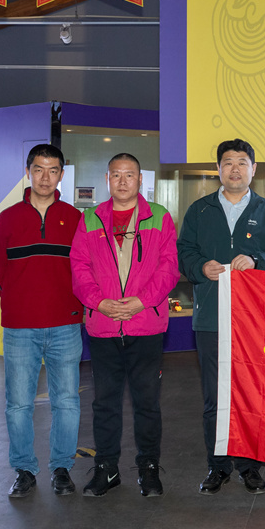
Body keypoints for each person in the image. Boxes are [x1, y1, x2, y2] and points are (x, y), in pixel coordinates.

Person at [177, 138, 265, 495]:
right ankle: (218, 466)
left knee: (252, 394)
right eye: (228, 162)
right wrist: (201, 267)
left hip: (255, 321)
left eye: (242, 162)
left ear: (253, 169)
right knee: (215, 397)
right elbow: (183, 254)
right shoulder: (199, 211)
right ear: (218, 169)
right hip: (211, 319)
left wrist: (258, 261)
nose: (235, 169)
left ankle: (249, 465)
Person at [69, 153, 180, 497]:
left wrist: (142, 301)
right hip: (103, 326)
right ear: (107, 179)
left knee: (147, 403)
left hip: (145, 325)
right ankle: (107, 469)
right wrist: (99, 302)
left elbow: (169, 268)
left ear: (140, 180)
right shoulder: (90, 219)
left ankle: (149, 468)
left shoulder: (159, 217)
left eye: (129, 175)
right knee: (105, 403)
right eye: (115, 174)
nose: (122, 181)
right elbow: (79, 266)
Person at [0, 144, 83, 498]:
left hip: (65, 324)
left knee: (67, 401)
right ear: (28, 171)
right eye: (39, 169)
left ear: (61, 174)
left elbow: (84, 271)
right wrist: (18, 304)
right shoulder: (7, 218)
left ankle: (62, 468)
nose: (45, 177)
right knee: (18, 404)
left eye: (53, 170)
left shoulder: (74, 218)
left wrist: (74, 306)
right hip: (19, 327)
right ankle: (24, 470)